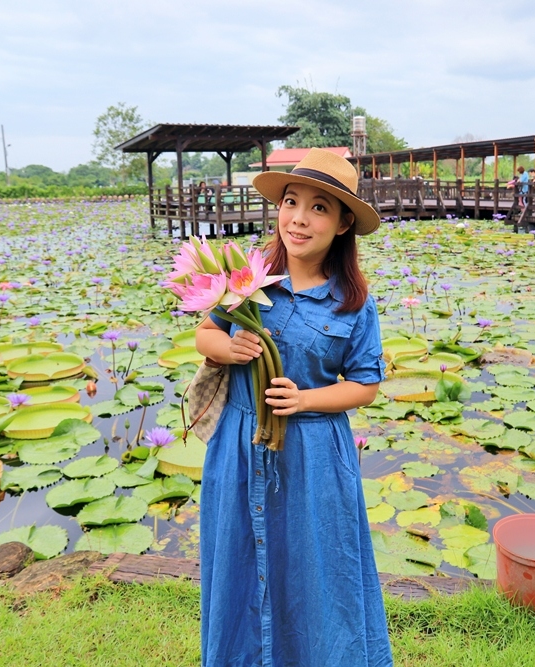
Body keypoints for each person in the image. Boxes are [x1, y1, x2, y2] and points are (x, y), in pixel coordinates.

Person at [195, 148, 393, 667]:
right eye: (290, 202)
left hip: (311, 456)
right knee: (238, 561)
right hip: (237, 447)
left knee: (317, 574)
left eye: (319, 208)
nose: (299, 219)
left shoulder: (351, 302)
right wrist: (228, 347)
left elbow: (365, 384)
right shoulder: (247, 280)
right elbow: (204, 334)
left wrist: (305, 398)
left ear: (344, 222)